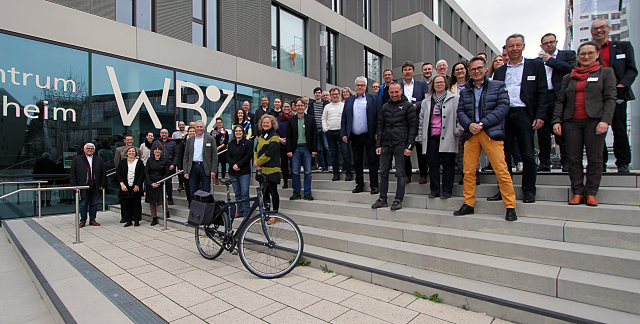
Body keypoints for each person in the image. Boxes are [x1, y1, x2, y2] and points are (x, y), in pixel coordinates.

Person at [552, 41, 616, 207]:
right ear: (578, 56)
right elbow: (561, 101)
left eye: (590, 53)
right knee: (574, 158)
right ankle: (577, 192)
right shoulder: (569, 76)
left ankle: (591, 193)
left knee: (595, 158)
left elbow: (610, 99)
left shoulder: (605, 73)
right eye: (582, 54)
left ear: (597, 54)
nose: (586, 57)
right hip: (571, 121)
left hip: (595, 121)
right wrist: (557, 120)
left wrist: (605, 120)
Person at [455, 56, 517, 221]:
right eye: (473, 69)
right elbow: (460, 111)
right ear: (469, 71)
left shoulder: (498, 86)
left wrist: (482, 123)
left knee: (501, 170)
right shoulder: (466, 90)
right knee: (468, 171)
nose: (476, 71)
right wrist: (469, 125)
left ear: (485, 68)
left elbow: (503, 107)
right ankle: (468, 204)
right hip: (471, 133)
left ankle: (510, 206)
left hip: (490, 132)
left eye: (479, 68)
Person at [490, 33, 548, 204]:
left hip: (525, 114)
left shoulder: (535, 66)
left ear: (523, 46)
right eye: (511, 46)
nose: (514, 49)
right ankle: (504, 189)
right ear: (506, 48)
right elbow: (494, 95)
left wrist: (540, 115)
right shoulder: (500, 71)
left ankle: (529, 190)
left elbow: (543, 92)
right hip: (504, 116)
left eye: (518, 45)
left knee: (528, 154)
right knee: (503, 156)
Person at [591, 18, 637, 173]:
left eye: (602, 27)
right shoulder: (589, 51)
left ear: (609, 29)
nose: (599, 31)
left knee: (619, 128)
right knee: (597, 131)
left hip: (617, 94)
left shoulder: (623, 47)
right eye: (595, 28)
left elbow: (631, 70)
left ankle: (623, 163)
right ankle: (600, 163)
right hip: (596, 97)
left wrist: (621, 86)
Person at [372, 82, 417, 211]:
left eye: (396, 92)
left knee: (400, 173)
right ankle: (383, 198)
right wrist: (378, 144)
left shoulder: (408, 106)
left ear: (401, 91)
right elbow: (380, 126)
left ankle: (398, 200)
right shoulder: (385, 107)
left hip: (401, 144)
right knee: (383, 172)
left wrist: (409, 146)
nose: (394, 94)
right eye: (391, 92)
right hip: (386, 144)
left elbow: (413, 127)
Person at [536, 33, 576, 172]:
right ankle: (545, 162)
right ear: (541, 46)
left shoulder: (568, 55)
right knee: (543, 132)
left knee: (562, 131)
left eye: (551, 42)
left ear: (556, 42)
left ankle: (566, 162)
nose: (549, 45)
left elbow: (572, 70)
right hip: (542, 98)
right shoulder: (537, 61)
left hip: (559, 97)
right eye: (545, 43)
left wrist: (550, 61)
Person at [419, 75, 463, 199]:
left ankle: (447, 191)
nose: (439, 84)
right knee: (433, 165)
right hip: (432, 136)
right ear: (432, 85)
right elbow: (421, 119)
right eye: (436, 82)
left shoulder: (455, 98)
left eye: (441, 82)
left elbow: (460, 115)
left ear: (446, 84)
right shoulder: (426, 101)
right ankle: (434, 190)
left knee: (448, 164)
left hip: (448, 135)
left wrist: (459, 130)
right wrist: (421, 136)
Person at [341, 76, 380, 194]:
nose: (360, 87)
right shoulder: (349, 100)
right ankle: (359, 184)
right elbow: (344, 118)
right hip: (355, 136)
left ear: (366, 86)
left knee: (372, 161)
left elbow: (379, 117)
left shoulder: (373, 98)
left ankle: (374, 185)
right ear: (355, 86)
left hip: (370, 135)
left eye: (362, 85)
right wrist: (344, 133)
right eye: (358, 85)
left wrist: (378, 132)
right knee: (357, 161)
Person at [399, 61, 429, 184]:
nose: (407, 71)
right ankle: (407, 174)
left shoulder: (421, 85)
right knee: (405, 149)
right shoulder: (398, 86)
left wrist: (417, 105)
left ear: (413, 71)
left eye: (410, 69)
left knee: (421, 148)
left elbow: (427, 99)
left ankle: (423, 174)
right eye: (405, 69)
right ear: (402, 72)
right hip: (402, 123)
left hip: (418, 121)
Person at [287, 98, 318, 200]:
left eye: (302, 105)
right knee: (295, 172)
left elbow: (314, 135)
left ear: (305, 106)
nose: (300, 107)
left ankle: (307, 193)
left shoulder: (311, 118)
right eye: (298, 105)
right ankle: (296, 192)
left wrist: (314, 149)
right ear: (294, 107)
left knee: (308, 172)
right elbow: (289, 136)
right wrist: (289, 150)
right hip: (295, 148)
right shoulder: (291, 120)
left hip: (307, 148)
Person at [70, 143, 107, 227]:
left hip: (95, 185)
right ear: (84, 149)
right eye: (88, 148)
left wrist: (102, 184)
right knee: (83, 204)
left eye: (92, 148)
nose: (90, 150)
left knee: (94, 203)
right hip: (83, 185)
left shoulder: (99, 160)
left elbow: (103, 174)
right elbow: (72, 174)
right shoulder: (77, 160)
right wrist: (75, 186)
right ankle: (82, 221)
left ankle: (92, 220)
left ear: (94, 150)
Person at [182, 120, 218, 201]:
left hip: (205, 167)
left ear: (204, 128)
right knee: (192, 192)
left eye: (201, 127)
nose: (199, 128)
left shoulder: (210, 139)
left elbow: (214, 155)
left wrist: (213, 170)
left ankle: (205, 212)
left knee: (206, 191)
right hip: (193, 167)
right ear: (195, 128)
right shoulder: (190, 140)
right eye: (197, 126)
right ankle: (194, 211)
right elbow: (186, 156)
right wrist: (186, 171)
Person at [323, 87, 353, 181]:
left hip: (342, 132)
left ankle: (348, 173)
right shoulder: (327, 106)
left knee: (345, 153)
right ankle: (336, 174)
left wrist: (346, 131)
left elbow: (348, 119)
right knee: (333, 154)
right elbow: (324, 118)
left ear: (339, 95)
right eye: (332, 94)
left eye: (336, 94)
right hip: (330, 132)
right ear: (330, 96)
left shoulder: (344, 105)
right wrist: (325, 129)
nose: (335, 96)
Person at [254, 115, 282, 212]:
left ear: (272, 124)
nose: (265, 124)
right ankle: (266, 212)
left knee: (273, 192)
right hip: (262, 170)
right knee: (264, 193)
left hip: (272, 171)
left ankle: (275, 213)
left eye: (267, 122)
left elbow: (270, 153)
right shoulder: (261, 137)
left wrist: (258, 162)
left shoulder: (274, 136)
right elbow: (256, 151)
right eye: (264, 122)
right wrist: (256, 163)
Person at [227, 125, 253, 218]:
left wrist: (238, 165)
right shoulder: (230, 144)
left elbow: (248, 156)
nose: (238, 132)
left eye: (240, 131)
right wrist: (233, 165)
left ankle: (247, 212)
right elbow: (228, 156)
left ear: (243, 132)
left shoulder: (247, 143)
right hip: (233, 171)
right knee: (237, 192)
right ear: (234, 133)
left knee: (245, 192)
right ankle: (240, 210)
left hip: (244, 171)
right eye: (236, 131)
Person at [116, 146, 144, 227]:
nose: (131, 153)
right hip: (125, 186)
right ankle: (128, 220)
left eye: (133, 151)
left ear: (136, 153)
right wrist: (121, 184)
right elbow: (118, 174)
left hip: (136, 186)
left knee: (137, 204)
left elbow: (142, 175)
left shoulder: (139, 162)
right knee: (126, 204)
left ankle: (137, 220)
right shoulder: (122, 162)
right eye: (129, 151)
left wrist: (138, 184)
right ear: (126, 153)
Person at [145, 144, 170, 226]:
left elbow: (166, 172)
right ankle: (154, 217)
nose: (157, 151)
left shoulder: (165, 160)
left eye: (159, 149)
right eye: (155, 149)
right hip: (151, 182)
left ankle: (166, 212)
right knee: (152, 201)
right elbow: (146, 172)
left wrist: (160, 182)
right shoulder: (149, 160)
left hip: (160, 181)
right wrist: (150, 182)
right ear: (153, 151)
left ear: (161, 151)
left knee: (162, 199)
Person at [308, 87, 331, 171]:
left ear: (321, 94)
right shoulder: (311, 105)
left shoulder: (326, 104)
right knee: (318, 149)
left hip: (324, 129)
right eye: (316, 93)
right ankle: (321, 165)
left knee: (327, 148)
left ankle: (330, 165)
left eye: (319, 93)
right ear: (314, 94)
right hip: (315, 129)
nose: (317, 94)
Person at [157, 129, 178, 205]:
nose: (164, 134)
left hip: (169, 166)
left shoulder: (172, 143)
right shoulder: (156, 143)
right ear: (160, 134)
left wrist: (173, 164)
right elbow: (152, 155)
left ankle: (169, 198)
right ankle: (160, 199)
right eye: (162, 133)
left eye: (165, 133)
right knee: (159, 184)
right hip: (159, 166)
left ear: (168, 134)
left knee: (168, 183)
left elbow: (176, 154)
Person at [176, 126, 196, 205]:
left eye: (193, 131)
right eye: (190, 131)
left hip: (196, 166)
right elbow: (180, 155)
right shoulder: (183, 142)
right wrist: (180, 167)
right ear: (188, 132)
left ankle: (196, 202)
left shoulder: (198, 140)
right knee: (188, 186)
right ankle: (190, 202)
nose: (192, 133)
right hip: (187, 167)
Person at [277, 101, 293, 188]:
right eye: (285, 106)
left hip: (291, 145)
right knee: (283, 164)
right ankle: (285, 181)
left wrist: (289, 139)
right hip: (281, 145)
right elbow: (274, 131)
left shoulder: (294, 118)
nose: (286, 108)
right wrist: (280, 139)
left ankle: (294, 181)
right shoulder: (277, 119)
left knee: (293, 163)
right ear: (282, 108)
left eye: (288, 106)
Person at [212, 117, 228, 184]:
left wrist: (220, 147)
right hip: (215, 150)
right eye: (217, 123)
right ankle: (216, 179)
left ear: (222, 123)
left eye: (220, 122)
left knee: (223, 165)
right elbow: (211, 141)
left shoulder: (225, 132)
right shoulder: (213, 132)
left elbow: (226, 141)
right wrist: (216, 148)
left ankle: (223, 178)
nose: (219, 124)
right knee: (216, 165)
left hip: (223, 150)